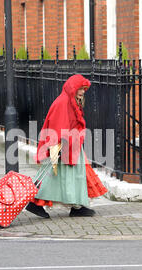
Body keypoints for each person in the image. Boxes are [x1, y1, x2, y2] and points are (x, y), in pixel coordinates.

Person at [26, 74, 107, 218]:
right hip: (64, 145)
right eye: (80, 89)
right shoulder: (63, 102)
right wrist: (58, 147)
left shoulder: (70, 101)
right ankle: (34, 202)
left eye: (84, 89)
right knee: (52, 175)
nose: (82, 92)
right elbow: (58, 125)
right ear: (73, 88)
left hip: (72, 144)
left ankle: (77, 206)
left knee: (74, 175)